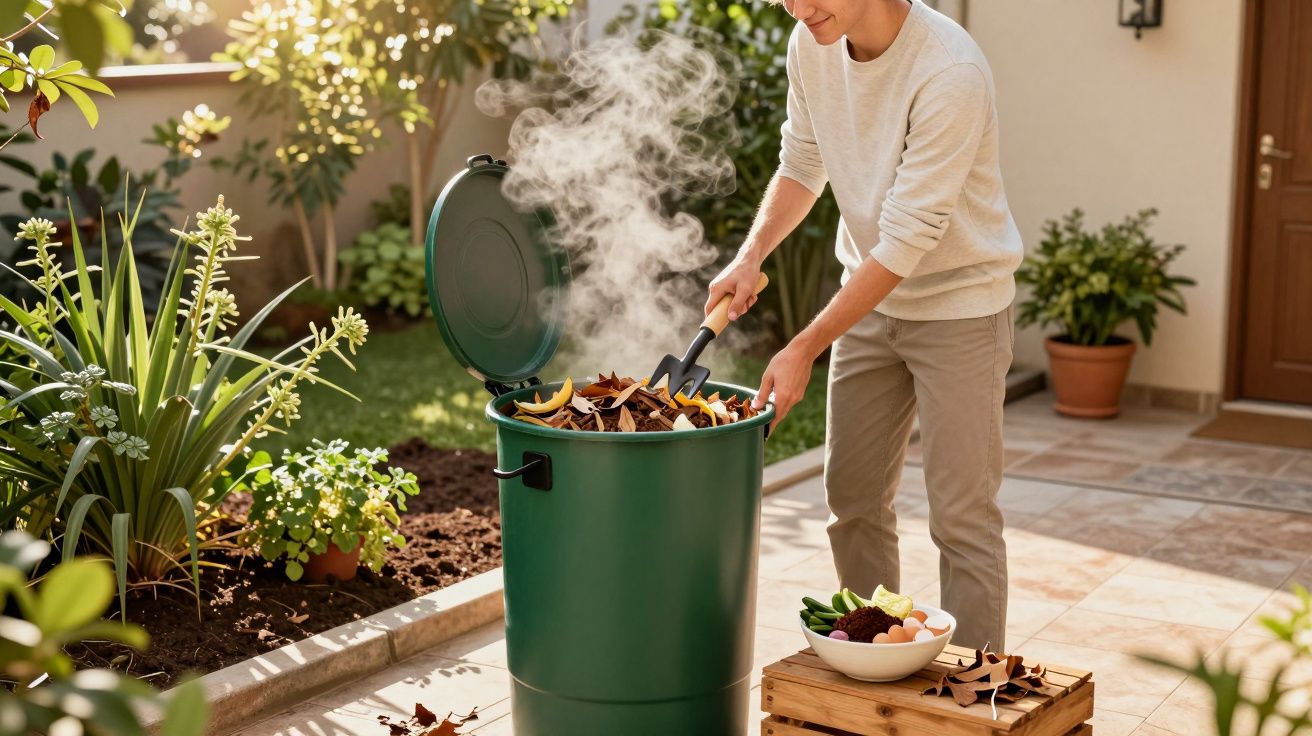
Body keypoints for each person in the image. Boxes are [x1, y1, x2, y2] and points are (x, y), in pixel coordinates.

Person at [705, 0, 1022, 651]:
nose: (798, 7)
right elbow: (802, 161)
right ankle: (881, 664)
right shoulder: (811, 42)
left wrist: (804, 345)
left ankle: (971, 690)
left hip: (961, 306)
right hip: (871, 305)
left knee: (961, 518)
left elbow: (907, 239)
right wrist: (751, 253)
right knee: (851, 503)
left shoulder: (949, 70)